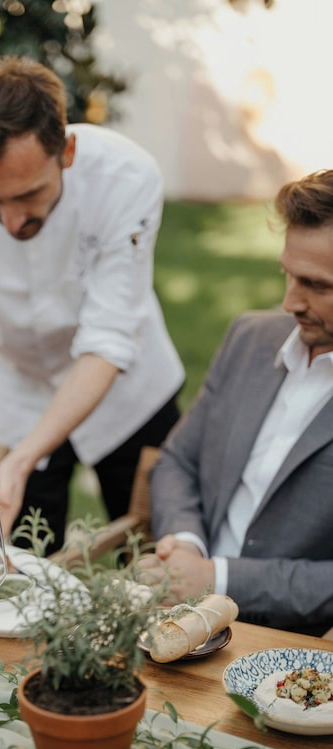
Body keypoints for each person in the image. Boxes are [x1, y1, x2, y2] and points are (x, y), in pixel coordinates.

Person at [0, 55, 184, 553]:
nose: (10, 222)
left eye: (27, 195)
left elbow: (108, 340)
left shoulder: (127, 177)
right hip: (17, 394)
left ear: (66, 150)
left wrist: (22, 458)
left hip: (128, 392)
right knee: (21, 568)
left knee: (153, 554)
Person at [145, 168, 333, 635]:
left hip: (290, 651)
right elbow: (177, 461)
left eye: (317, 285)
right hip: (175, 612)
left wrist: (218, 578)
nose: (290, 301)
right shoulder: (249, 337)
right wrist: (186, 546)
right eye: (287, 274)